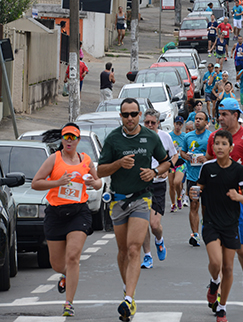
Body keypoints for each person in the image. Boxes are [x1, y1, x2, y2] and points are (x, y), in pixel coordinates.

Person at [97, 98, 171, 320]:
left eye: (133, 114)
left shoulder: (150, 137)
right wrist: (118, 164)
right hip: (118, 201)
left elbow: (167, 162)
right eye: (125, 115)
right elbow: (100, 172)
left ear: (139, 115)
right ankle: (128, 290)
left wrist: (155, 173)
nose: (129, 118)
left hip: (141, 198)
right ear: (120, 116)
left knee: (133, 249)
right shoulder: (113, 139)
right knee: (122, 252)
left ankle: (129, 300)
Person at [31, 123, 103, 317]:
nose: (69, 141)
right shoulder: (54, 160)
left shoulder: (86, 160)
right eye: (66, 137)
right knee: (56, 263)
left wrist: (92, 182)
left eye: (73, 138)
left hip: (79, 212)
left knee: (72, 257)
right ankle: (65, 274)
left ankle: (68, 303)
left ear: (78, 140)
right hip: (55, 213)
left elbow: (98, 183)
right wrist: (57, 182)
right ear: (62, 139)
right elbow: (35, 183)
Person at [206, 98, 243, 306]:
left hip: (240, 201)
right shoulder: (214, 137)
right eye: (219, 113)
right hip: (216, 202)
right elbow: (208, 159)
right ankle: (219, 290)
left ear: (236, 115)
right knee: (220, 251)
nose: (220, 118)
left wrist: (234, 169)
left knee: (240, 249)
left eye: (224, 114)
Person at [199, 130, 243, 322]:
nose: (219, 147)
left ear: (231, 147)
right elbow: (199, 188)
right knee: (216, 263)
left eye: (223, 144)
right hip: (211, 222)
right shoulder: (207, 168)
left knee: (228, 268)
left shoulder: (238, 170)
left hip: (230, 224)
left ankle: (222, 307)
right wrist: (193, 193)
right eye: (216, 144)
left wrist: (238, 196)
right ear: (213, 147)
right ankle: (214, 283)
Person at [140, 109, 178, 269]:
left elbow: (175, 155)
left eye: (152, 123)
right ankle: (147, 255)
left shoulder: (165, 137)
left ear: (158, 123)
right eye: (147, 122)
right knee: (142, 223)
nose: (149, 125)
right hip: (141, 185)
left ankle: (159, 240)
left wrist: (167, 170)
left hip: (158, 185)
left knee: (154, 225)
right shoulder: (138, 137)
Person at [182, 111, 211, 247]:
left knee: (206, 207)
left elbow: (217, 154)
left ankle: (206, 230)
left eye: (201, 119)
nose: (198, 121)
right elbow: (182, 151)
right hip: (192, 177)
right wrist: (186, 156)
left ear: (206, 122)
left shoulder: (211, 137)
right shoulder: (188, 136)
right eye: (196, 119)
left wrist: (206, 158)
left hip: (207, 178)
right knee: (194, 204)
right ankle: (194, 235)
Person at [168, 116, 187, 211]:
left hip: (181, 162)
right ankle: (173, 203)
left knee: (177, 182)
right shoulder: (169, 136)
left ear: (182, 125)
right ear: (174, 124)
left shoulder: (184, 136)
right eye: (177, 124)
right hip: (171, 162)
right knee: (171, 185)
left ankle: (179, 197)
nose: (178, 126)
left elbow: (187, 149)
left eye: (180, 124)